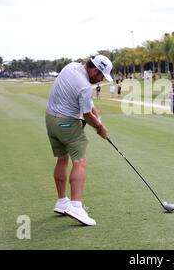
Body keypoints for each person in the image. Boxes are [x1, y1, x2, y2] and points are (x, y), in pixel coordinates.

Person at [45, 54, 112, 226]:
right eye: (101, 77)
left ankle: (61, 202)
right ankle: (76, 205)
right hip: (67, 123)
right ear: (95, 70)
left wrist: (99, 119)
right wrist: (100, 128)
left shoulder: (72, 66)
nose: (99, 81)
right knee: (80, 162)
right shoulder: (84, 85)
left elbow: (88, 105)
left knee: (62, 159)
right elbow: (87, 115)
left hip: (50, 120)